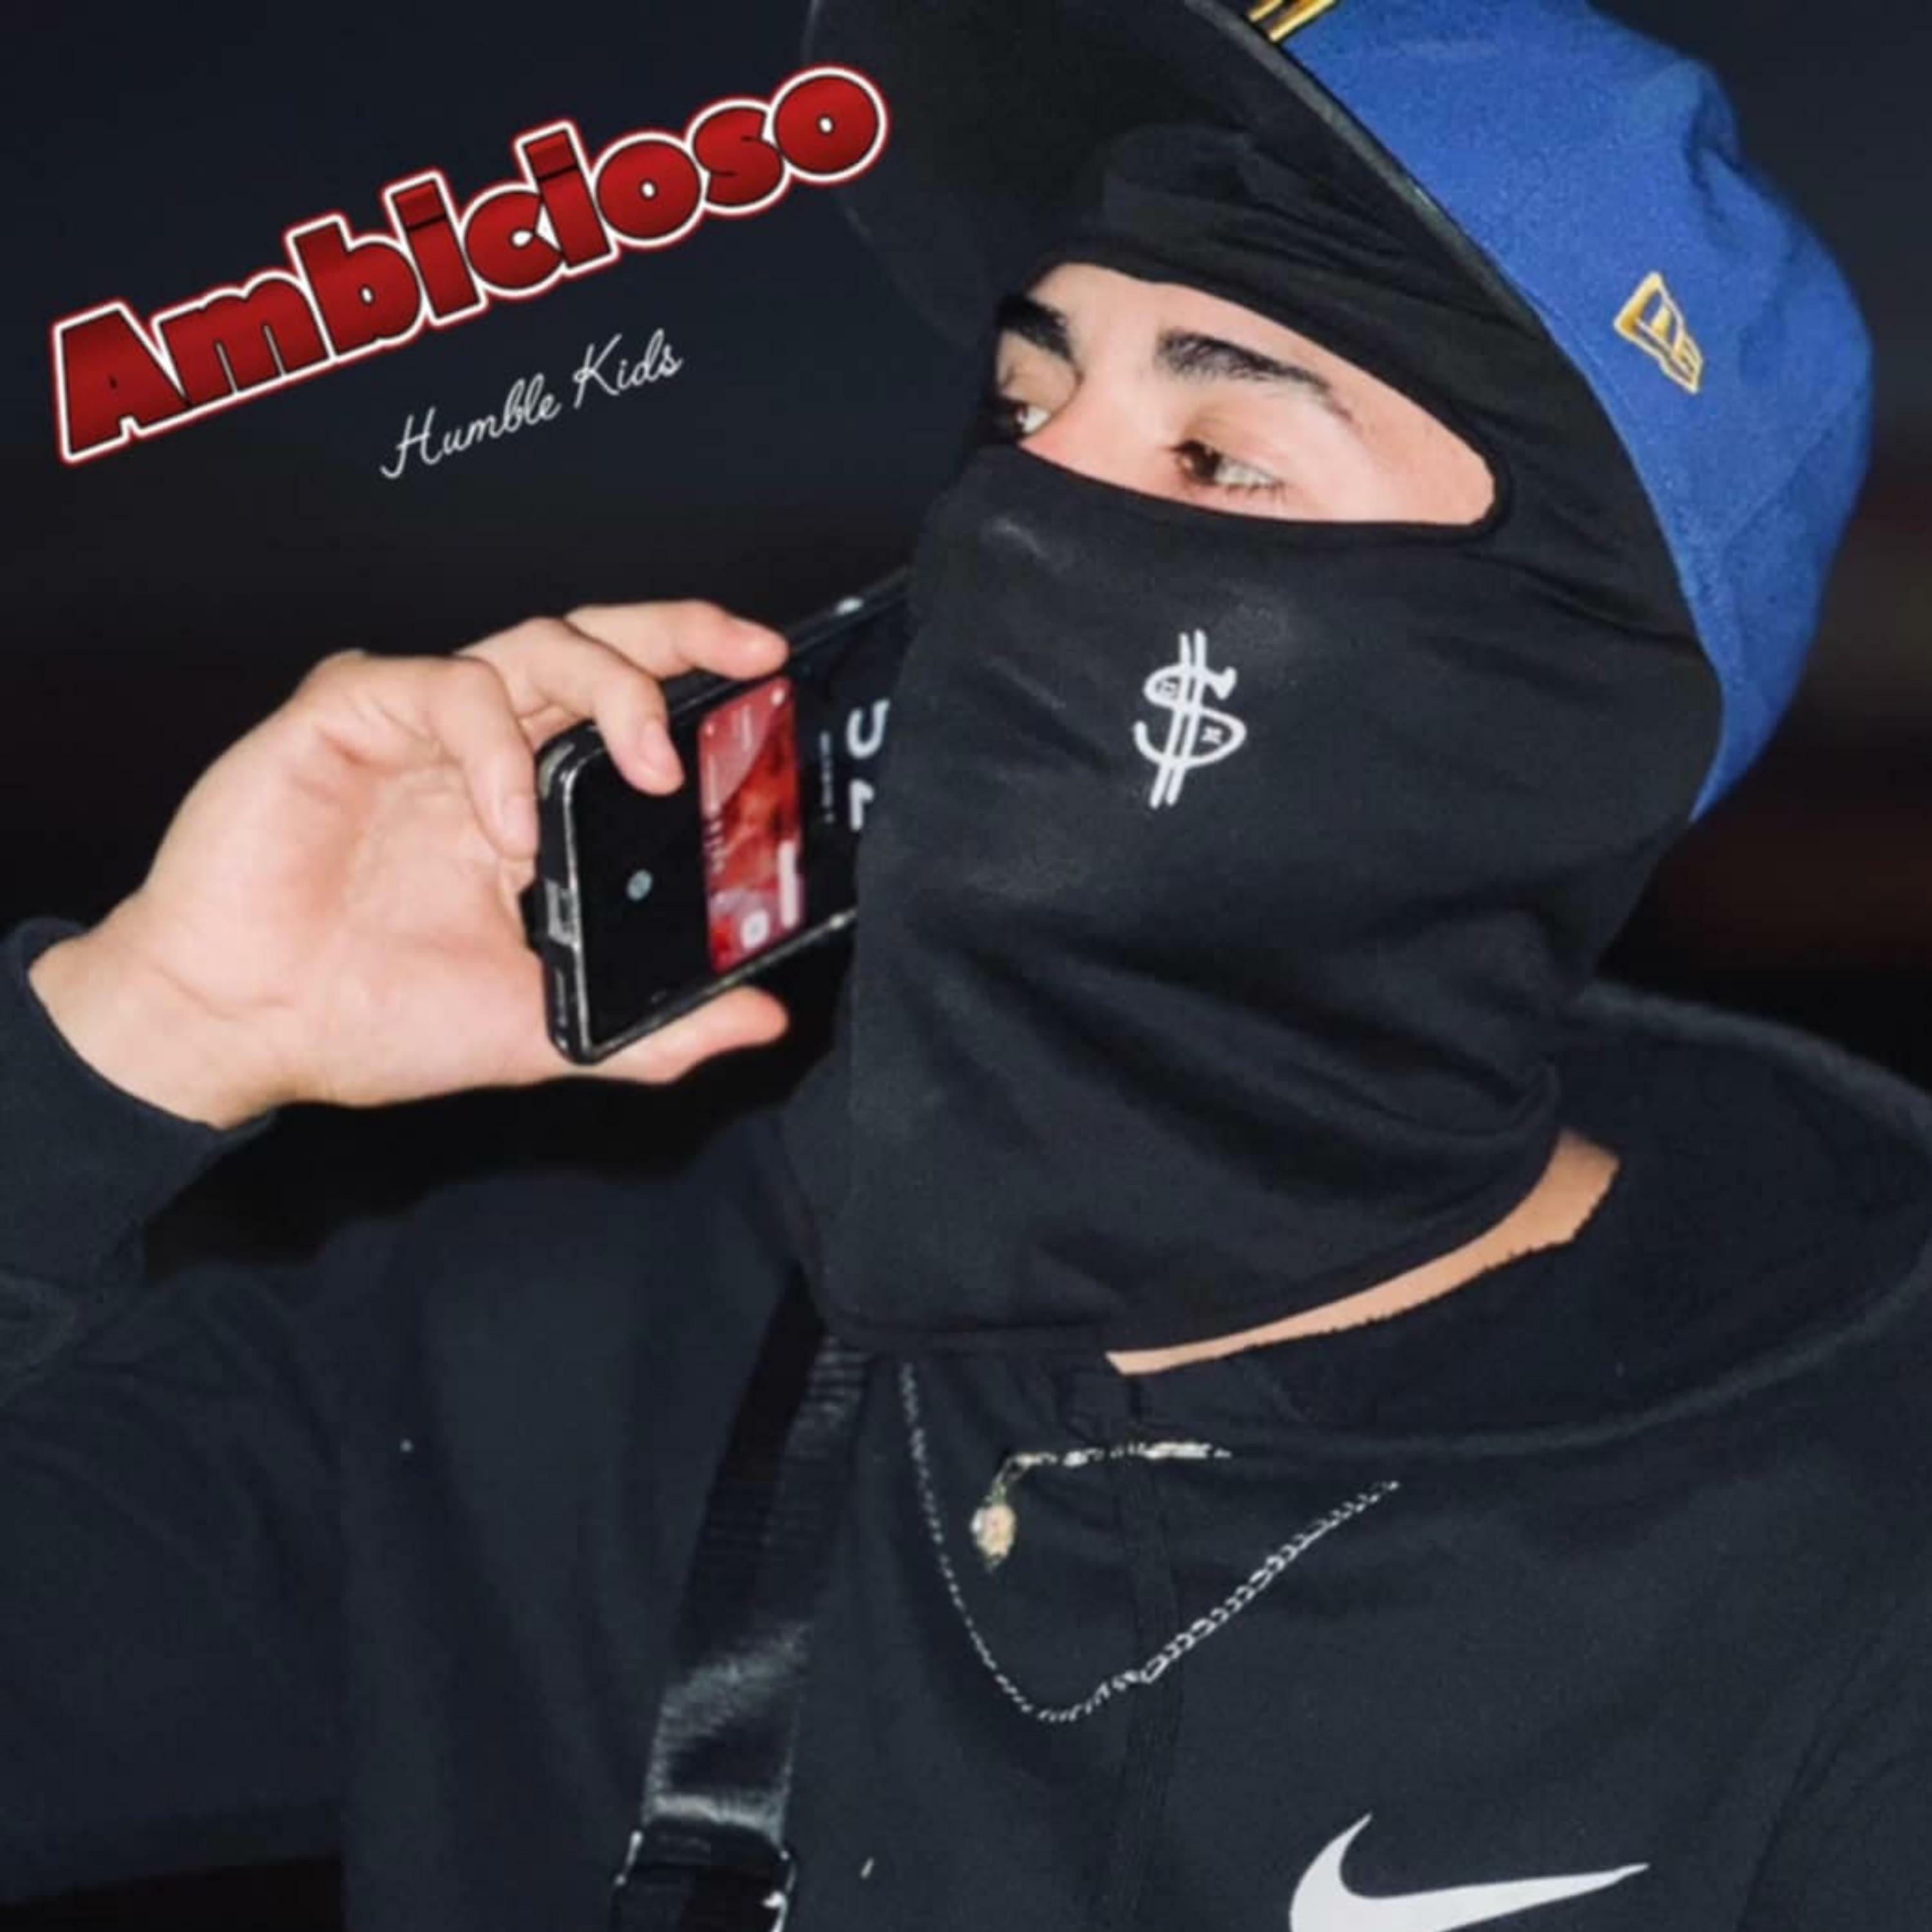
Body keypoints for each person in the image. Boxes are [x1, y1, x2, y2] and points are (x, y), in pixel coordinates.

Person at [5, 1, 1929, 1927]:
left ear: (1557, 692)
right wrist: (139, 1037)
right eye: (1021, 411)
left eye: (1222, 455)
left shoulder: (1843, 1574)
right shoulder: (548, 1382)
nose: (1020, 518)